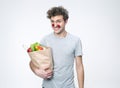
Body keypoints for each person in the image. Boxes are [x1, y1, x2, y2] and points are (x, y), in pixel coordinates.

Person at [29, 6, 84, 88]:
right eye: (52, 21)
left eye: (58, 21)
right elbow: (32, 62)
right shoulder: (45, 40)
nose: (55, 25)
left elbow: (79, 67)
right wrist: (36, 71)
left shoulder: (75, 40)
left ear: (66, 21)